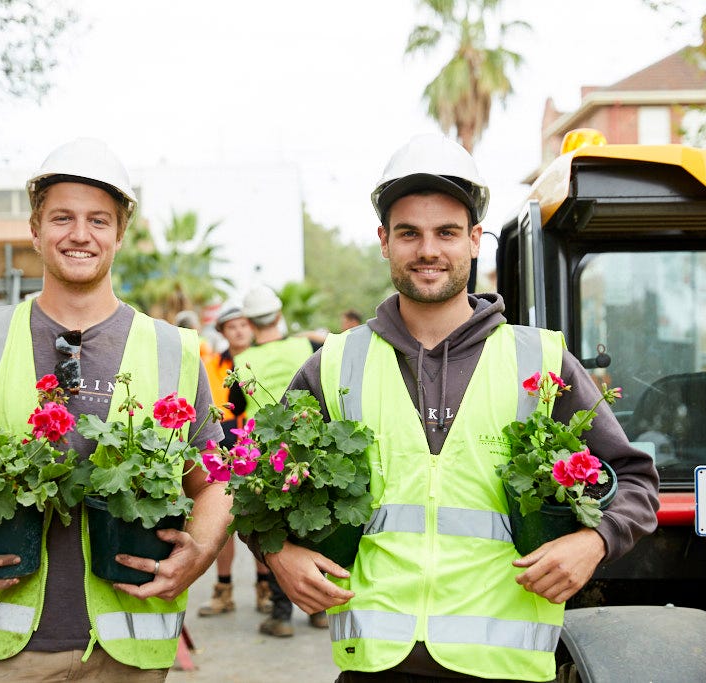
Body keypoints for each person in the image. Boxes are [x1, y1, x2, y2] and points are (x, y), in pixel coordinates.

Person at [261, 133, 660, 681]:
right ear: (384, 241)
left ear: (475, 240)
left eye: (446, 232)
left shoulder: (538, 359)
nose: (428, 250)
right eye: (409, 233)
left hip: (505, 666)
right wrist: (279, 552)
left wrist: (594, 541)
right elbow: (251, 483)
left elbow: (636, 481)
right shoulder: (335, 363)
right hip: (376, 665)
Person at [0, 137, 231, 682]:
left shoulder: (172, 349)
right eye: (62, 218)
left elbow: (214, 480)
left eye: (99, 220)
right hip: (8, 654)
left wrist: (199, 551)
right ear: (35, 229)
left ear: (120, 234)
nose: (80, 235)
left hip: (130, 651)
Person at [231, 285, 329, 636]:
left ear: (250, 321)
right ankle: (319, 610)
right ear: (278, 313)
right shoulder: (307, 346)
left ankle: (282, 615)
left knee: (276, 533)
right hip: (308, 447)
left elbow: (237, 407)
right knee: (316, 525)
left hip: (265, 455)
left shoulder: (242, 361)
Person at [197, 304, 273, 617]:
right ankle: (223, 590)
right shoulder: (215, 364)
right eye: (232, 326)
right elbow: (215, 410)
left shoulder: (265, 359)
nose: (240, 331)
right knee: (222, 521)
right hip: (224, 449)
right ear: (223, 332)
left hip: (259, 450)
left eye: (244, 325)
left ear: (253, 327)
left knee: (260, 521)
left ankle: (265, 590)